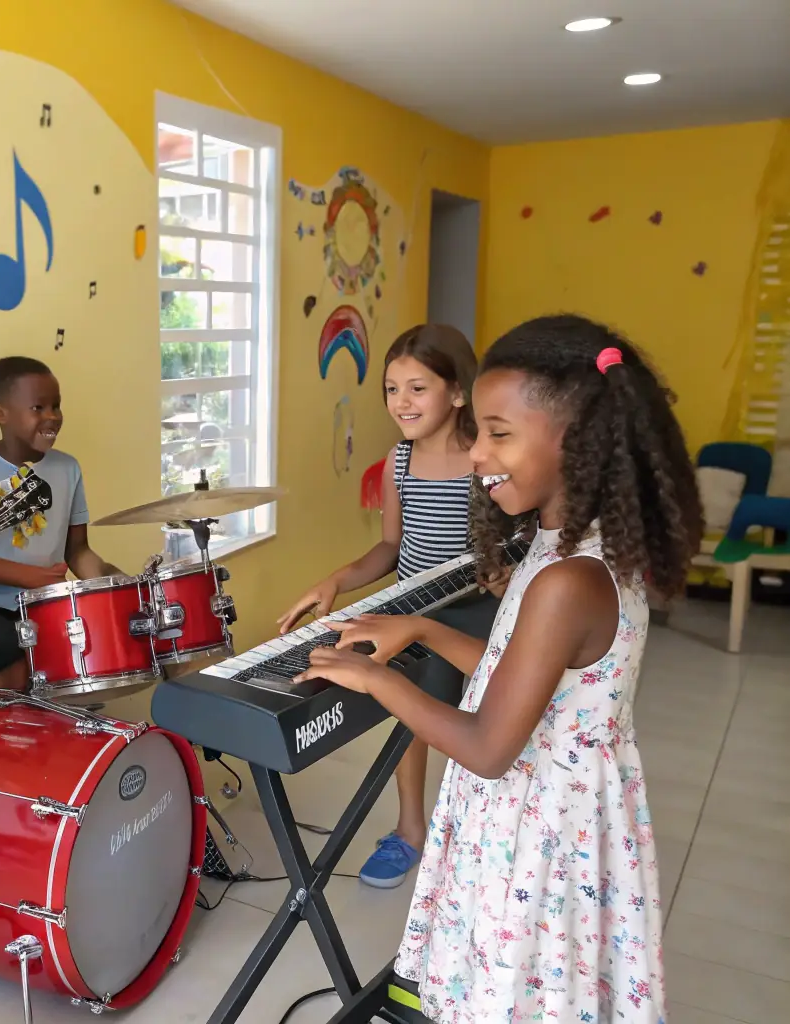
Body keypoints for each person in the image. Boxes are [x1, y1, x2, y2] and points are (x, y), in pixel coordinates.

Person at [296, 314, 701, 1022]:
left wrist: (375, 679)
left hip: (536, 831)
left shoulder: (564, 580)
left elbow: (487, 747)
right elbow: (524, 676)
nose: (477, 454)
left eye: (497, 433)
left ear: (575, 444)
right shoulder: (573, 548)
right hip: (557, 815)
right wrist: (422, 627)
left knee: (519, 995)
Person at [278, 323, 500, 889]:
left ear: (457, 392)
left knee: (484, 724)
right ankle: (409, 830)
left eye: (417, 388)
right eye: (391, 389)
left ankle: (483, 834)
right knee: (408, 714)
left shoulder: (483, 461)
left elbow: (503, 550)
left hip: (475, 613)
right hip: (407, 609)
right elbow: (389, 547)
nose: (401, 402)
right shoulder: (398, 461)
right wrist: (336, 580)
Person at [0, 356, 120, 691]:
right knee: (14, 647)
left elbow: (78, 550)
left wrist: (118, 588)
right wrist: (31, 577)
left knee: (94, 636)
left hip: (42, 603)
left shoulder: (68, 469)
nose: (52, 417)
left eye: (56, 406)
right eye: (38, 407)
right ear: (0, 413)